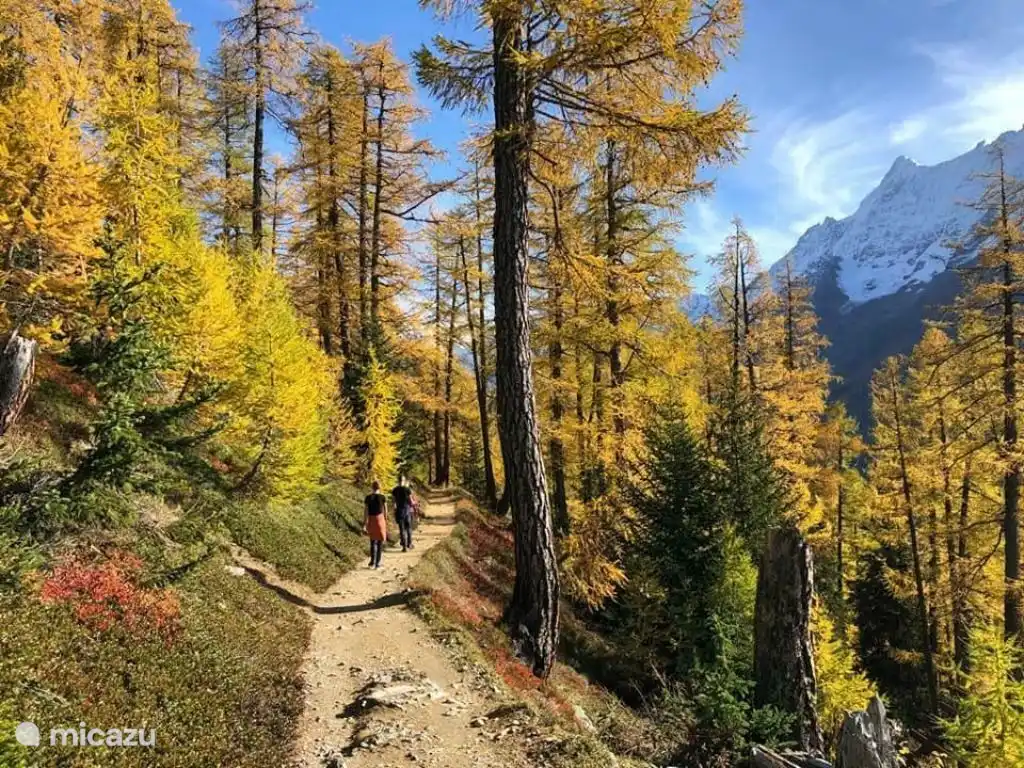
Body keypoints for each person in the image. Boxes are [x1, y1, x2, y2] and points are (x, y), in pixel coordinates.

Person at [364, 480, 388, 568]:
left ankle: (372, 561)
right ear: (379, 487)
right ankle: (377, 563)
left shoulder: (368, 498)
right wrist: (385, 519)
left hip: (371, 519)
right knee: (380, 542)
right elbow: (385, 510)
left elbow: (366, 511)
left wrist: (365, 523)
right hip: (380, 519)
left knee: (373, 541)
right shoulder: (382, 497)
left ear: (372, 487)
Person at [391, 475, 415, 552]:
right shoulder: (407, 489)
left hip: (399, 511)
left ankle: (404, 547)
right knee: (408, 528)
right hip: (407, 511)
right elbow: (411, 501)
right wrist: (414, 503)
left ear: (398, 481)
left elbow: (394, 502)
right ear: (404, 481)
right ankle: (409, 544)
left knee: (402, 529)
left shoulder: (395, 490)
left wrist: (395, 509)